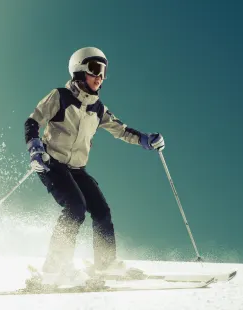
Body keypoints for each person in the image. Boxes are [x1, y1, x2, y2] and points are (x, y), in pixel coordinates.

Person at [24, 46, 165, 286]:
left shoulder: (98, 108)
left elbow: (120, 129)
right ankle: (54, 268)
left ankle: (104, 263)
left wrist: (144, 138)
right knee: (75, 209)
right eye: (95, 69)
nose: (100, 77)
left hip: (77, 169)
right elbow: (33, 120)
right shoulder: (60, 96)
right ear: (79, 71)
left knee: (101, 210)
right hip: (52, 164)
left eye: (104, 71)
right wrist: (35, 147)